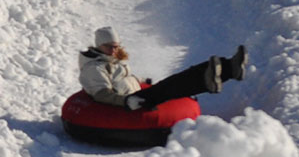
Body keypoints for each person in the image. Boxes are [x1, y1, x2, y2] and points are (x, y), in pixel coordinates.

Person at [79, 27, 247, 112]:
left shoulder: (111, 61)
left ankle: (227, 68)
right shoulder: (94, 67)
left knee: (173, 83)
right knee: (172, 86)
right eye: (109, 46)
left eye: (116, 47)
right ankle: (222, 72)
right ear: (98, 45)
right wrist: (126, 102)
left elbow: (121, 79)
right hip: (127, 104)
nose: (113, 50)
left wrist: (141, 81)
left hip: (134, 96)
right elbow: (102, 94)